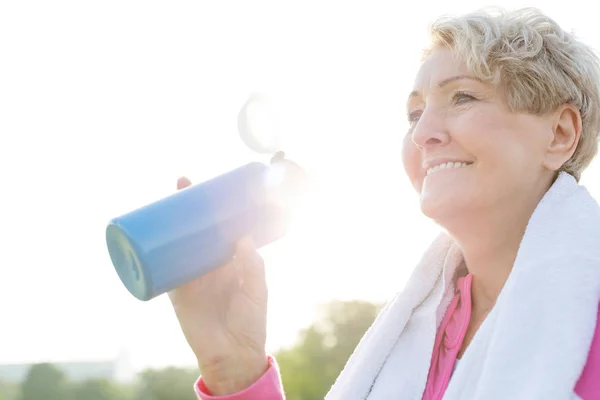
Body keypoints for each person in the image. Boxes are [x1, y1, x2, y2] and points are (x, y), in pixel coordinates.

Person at [169, 7, 600, 399]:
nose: (422, 132)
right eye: (415, 114)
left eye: (462, 97)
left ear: (560, 133)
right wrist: (235, 371)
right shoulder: (417, 330)